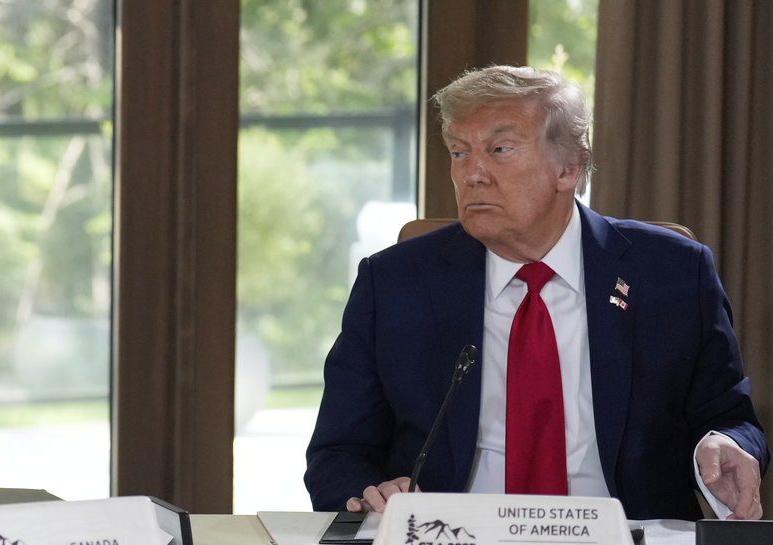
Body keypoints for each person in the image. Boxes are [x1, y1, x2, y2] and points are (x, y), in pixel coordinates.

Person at [305, 65, 767, 521]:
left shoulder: (672, 272)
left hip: (625, 544)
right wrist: (371, 495)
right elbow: (339, 452)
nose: (472, 174)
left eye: (500, 149)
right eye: (459, 152)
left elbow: (729, 417)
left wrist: (725, 444)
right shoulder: (394, 282)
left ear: (569, 168)